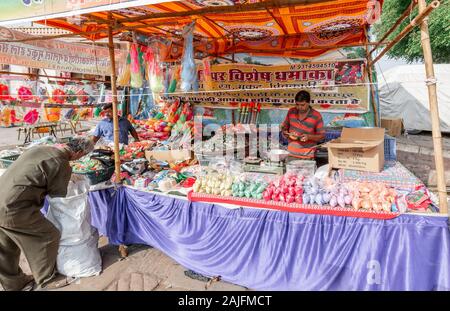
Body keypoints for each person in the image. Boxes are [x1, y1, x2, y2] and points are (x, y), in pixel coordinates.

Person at [0, 137, 94, 291]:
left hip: (3, 197)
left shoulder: (40, 149)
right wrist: (70, 178)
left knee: (5, 246)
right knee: (47, 236)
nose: (80, 158)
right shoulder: (61, 163)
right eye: (82, 156)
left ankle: (13, 284)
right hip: (13, 208)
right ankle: (46, 279)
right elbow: (58, 194)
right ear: (78, 152)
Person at [281, 90, 325, 160]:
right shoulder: (291, 111)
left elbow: (322, 136)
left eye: (302, 105)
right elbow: (284, 129)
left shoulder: (316, 115)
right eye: (297, 104)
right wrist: (287, 133)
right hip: (291, 154)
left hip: (307, 156)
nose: (299, 107)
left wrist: (309, 137)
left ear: (308, 103)